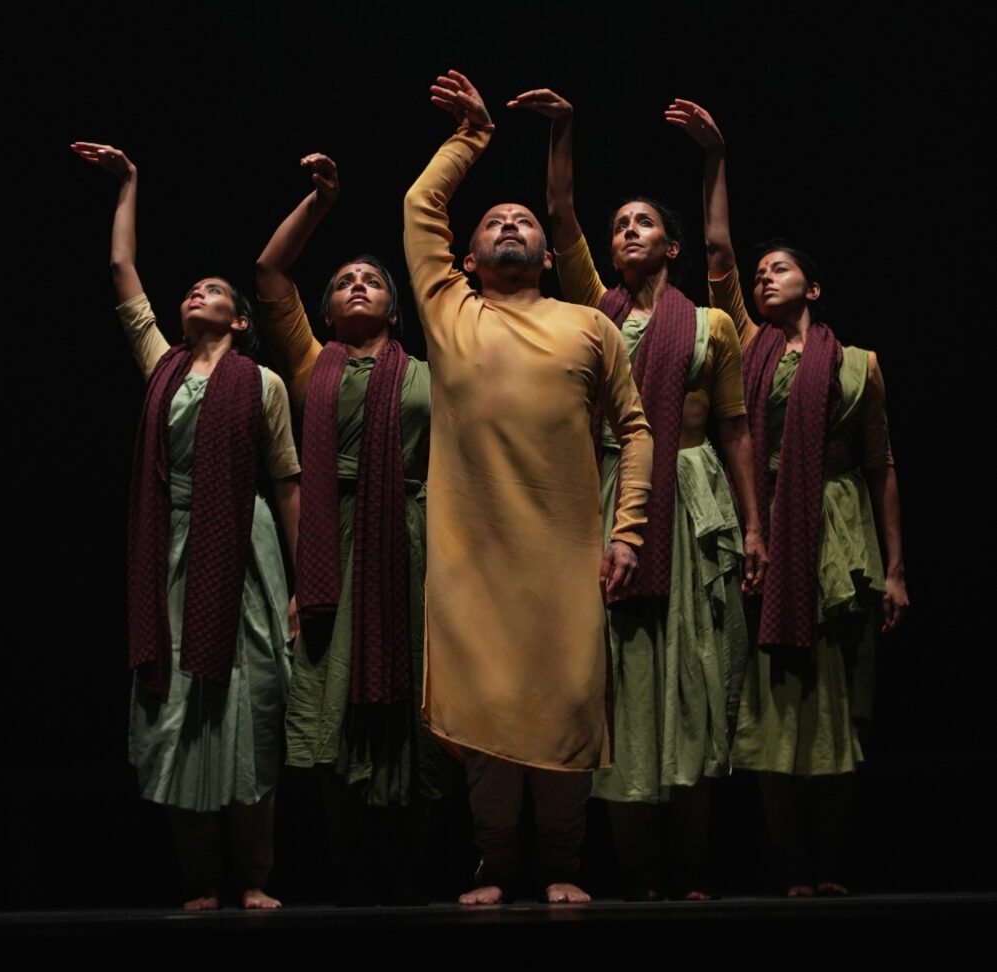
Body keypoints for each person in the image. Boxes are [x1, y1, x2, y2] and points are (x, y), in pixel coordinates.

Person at [403, 71, 654, 905]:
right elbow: (417, 207)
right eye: (491, 222)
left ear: (548, 255)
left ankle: (559, 862)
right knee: (486, 728)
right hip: (472, 561)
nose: (508, 222)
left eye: (521, 220)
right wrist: (470, 139)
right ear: (468, 259)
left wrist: (627, 533)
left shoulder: (588, 325)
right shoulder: (448, 311)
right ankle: (494, 863)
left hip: (564, 557)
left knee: (564, 709)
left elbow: (636, 430)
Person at [509, 88, 767, 900]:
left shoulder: (712, 325)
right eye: (618, 224)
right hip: (611, 495)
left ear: (671, 246)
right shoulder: (594, 310)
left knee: (691, 676)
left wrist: (754, 525)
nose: (626, 231)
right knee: (620, 678)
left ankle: (688, 868)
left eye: (641, 223)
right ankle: (634, 872)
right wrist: (563, 129)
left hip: (690, 501)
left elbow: (733, 428)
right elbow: (559, 214)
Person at [666, 99, 909, 895]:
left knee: (835, 704)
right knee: (772, 703)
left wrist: (897, 568)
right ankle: (788, 866)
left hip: (838, 535)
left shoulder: (859, 365)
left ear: (813, 287)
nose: (764, 275)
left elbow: (880, 467)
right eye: (760, 269)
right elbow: (714, 246)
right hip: (768, 522)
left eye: (780, 269)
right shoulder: (741, 340)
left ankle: (831, 864)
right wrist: (714, 160)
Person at [72, 142, 300, 910]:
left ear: (239, 318)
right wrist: (130, 184)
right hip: (171, 549)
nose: (194, 293)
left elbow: (288, 483)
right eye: (191, 288)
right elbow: (120, 276)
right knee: (177, 709)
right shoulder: (162, 366)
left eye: (213, 290)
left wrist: (303, 587)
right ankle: (198, 878)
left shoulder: (262, 383)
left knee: (250, 700)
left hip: (245, 549)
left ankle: (256, 874)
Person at [256, 152, 449, 905]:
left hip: (412, 539)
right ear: (328, 312)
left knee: (413, 699)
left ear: (395, 312)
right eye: (342, 282)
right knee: (332, 698)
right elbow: (270, 274)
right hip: (332, 549)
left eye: (370, 280)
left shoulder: (434, 374)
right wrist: (320, 202)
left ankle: (414, 879)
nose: (357, 284)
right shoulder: (311, 366)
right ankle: (346, 882)